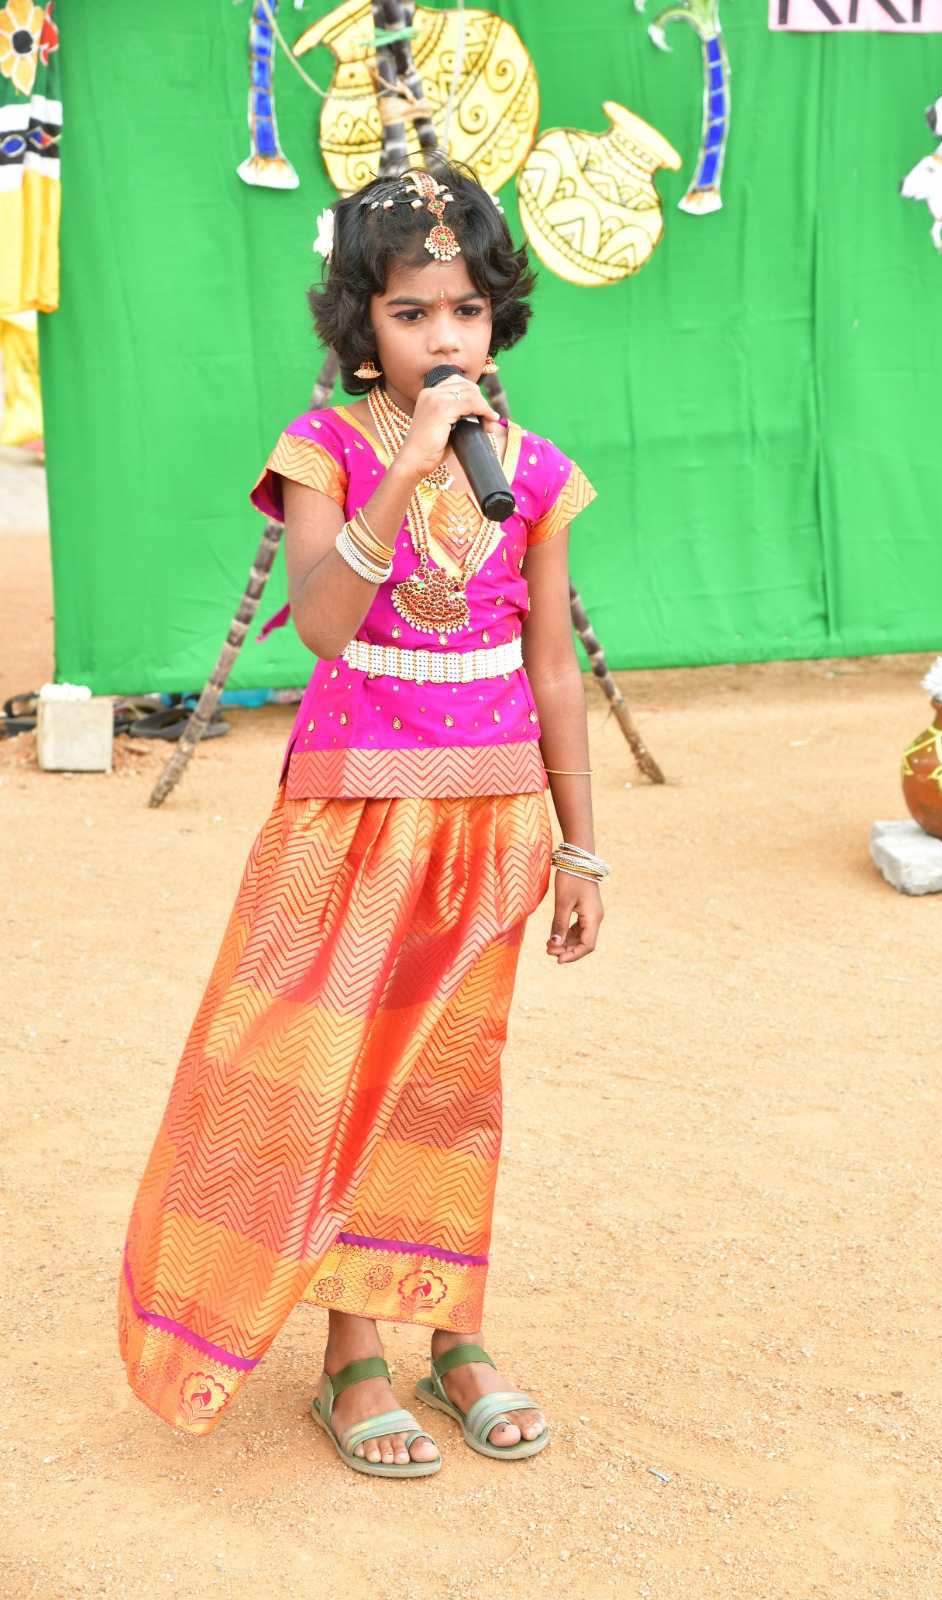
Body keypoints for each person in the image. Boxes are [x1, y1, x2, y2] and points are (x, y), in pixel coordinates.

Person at [118, 160, 608, 1478]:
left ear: (498, 316)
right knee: (334, 1076)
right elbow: (327, 627)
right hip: (352, 821)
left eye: (465, 310)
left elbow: (554, 671)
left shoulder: (537, 476)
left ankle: (455, 1335)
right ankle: (350, 1356)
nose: (444, 338)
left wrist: (579, 846)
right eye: (409, 313)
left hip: (492, 821)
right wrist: (408, 470)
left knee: (452, 1082)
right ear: (360, 324)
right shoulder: (324, 450)